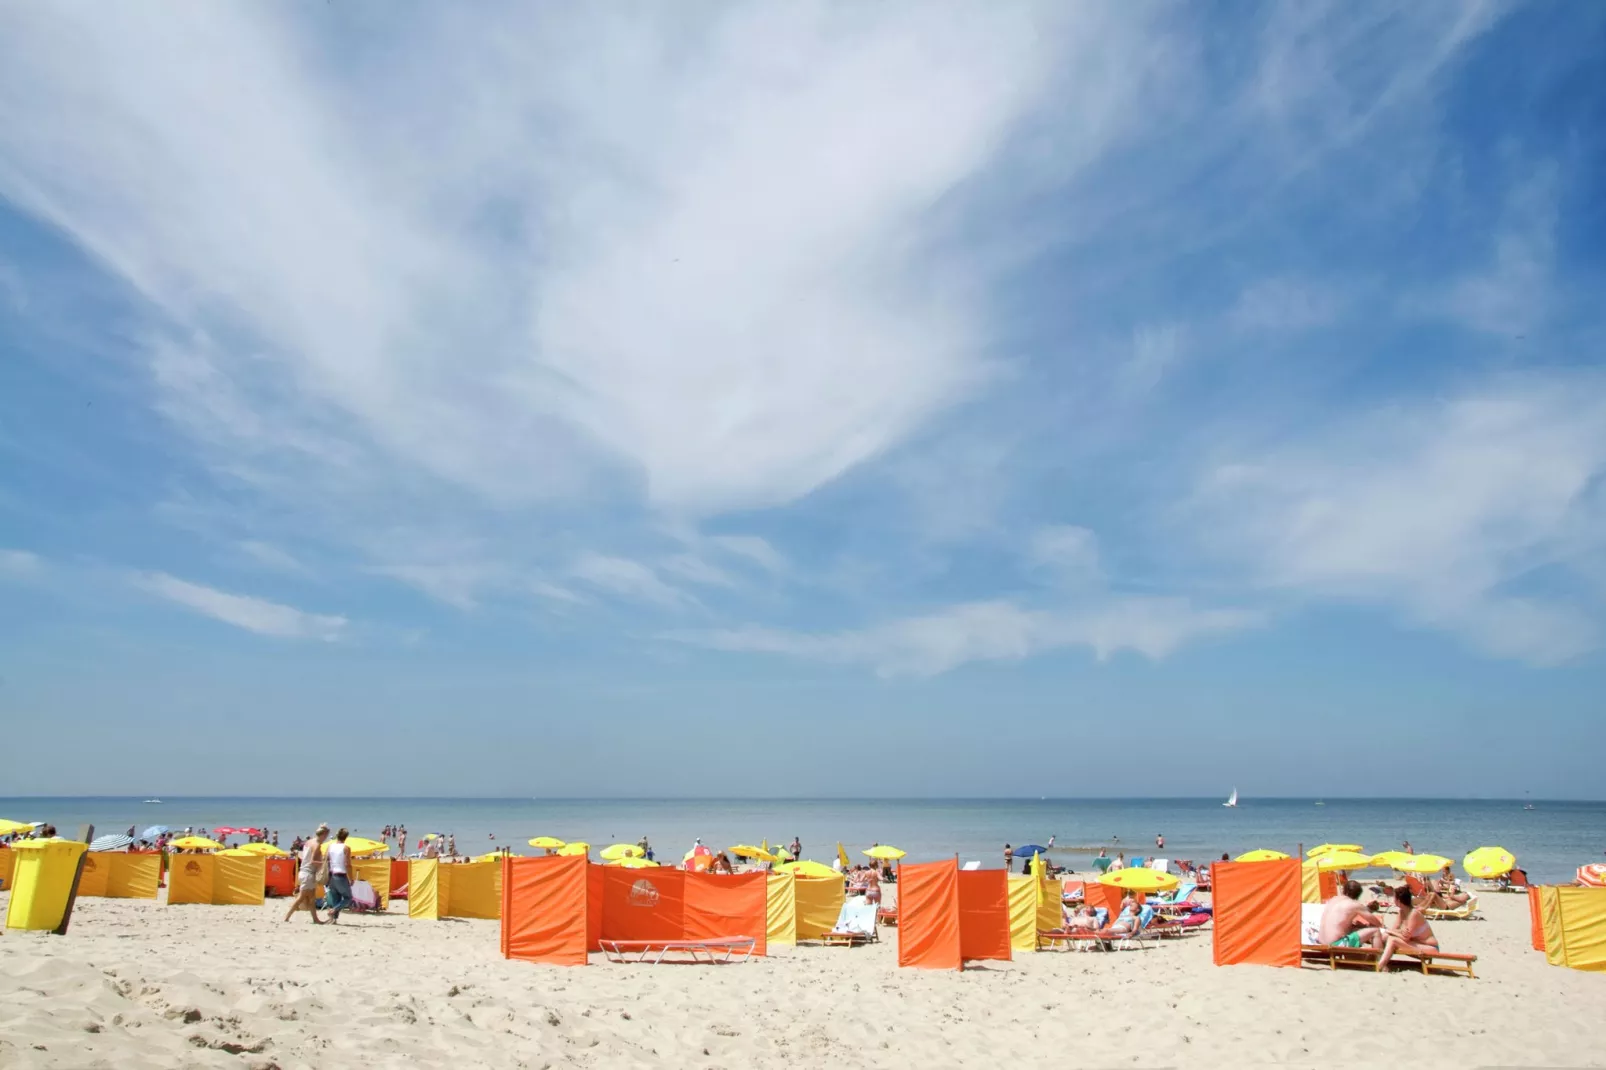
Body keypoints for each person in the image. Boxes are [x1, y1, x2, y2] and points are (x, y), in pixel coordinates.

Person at [1377, 885, 1437, 971]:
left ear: (1398, 901)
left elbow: (1405, 937)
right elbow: (1394, 929)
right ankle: (1379, 962)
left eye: (1394, 898)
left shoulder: (1414, 914)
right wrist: (1395, 931)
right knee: (1384, 936)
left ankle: (1380, 966)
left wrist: (1392, 931)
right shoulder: (1401, 912)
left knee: (1392, 940)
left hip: (1430, 948)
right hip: (1415, 944)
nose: (1393, 900)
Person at [1318, 879, 1384, 948]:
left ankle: (1365, 958)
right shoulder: (1354, 904)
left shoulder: (1333, 900)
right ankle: (1379, 958)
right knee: (1376, 931)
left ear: (1343, 890)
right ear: (1358, 895)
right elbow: (1377, 923)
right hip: (1335, 944)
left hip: (1321, 942)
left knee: (1352, 934)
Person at [285, 825, 329, 925]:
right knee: (301, 897)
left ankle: (315, 919)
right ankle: (287, 916)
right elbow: (313, 861)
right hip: (308, 873)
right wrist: (325, 863)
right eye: (326, 836)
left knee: (312, 898)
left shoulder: (309, 842)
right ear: (323, 835)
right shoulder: (317, 845)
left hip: (304, 872)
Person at [324, 828, 354, 922]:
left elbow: (325, 859)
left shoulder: (330, 846)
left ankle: (333, 919)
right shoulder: (346, 848)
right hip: (341, 874)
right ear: (346, 837)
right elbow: (347, 864)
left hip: (331, 874)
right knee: (348, 897)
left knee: (335, 898)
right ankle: (334, 910)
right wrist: (351, 878)